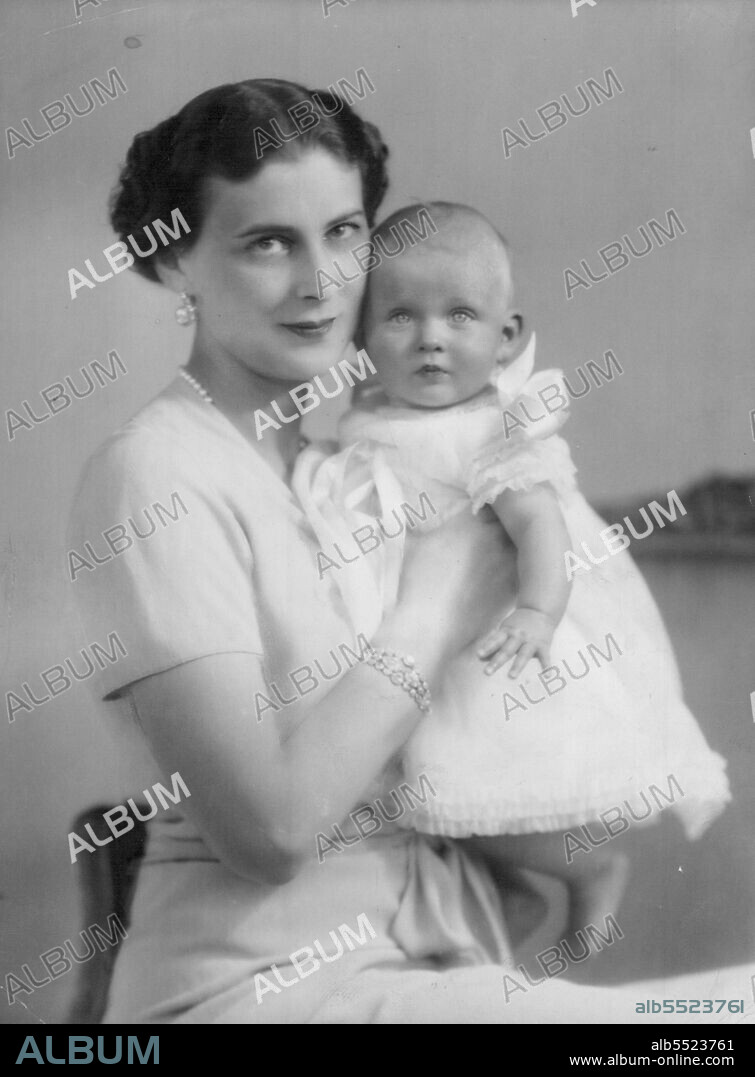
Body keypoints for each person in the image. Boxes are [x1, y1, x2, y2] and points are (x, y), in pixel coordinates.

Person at [69, 80, 748, 1024]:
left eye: (344, 234)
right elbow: (267, 832)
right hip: (256, 993)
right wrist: (435, 606)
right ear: (176, 258)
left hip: (428, 960)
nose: (319, 283)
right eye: (268, 241)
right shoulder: (155, 474)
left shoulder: (338, 460)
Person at [293, 201, 731, 945]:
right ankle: (510, 904)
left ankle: (585, 869)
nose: (431, 338)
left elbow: (540, 528)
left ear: (507, 338)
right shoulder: (370, 419)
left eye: (459, 315)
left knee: (455, 794)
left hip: (492, 648)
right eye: (400, 316)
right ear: (362, 338)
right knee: (423, 799)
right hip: (413, 645)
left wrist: (537, 611)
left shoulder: (492, 431)